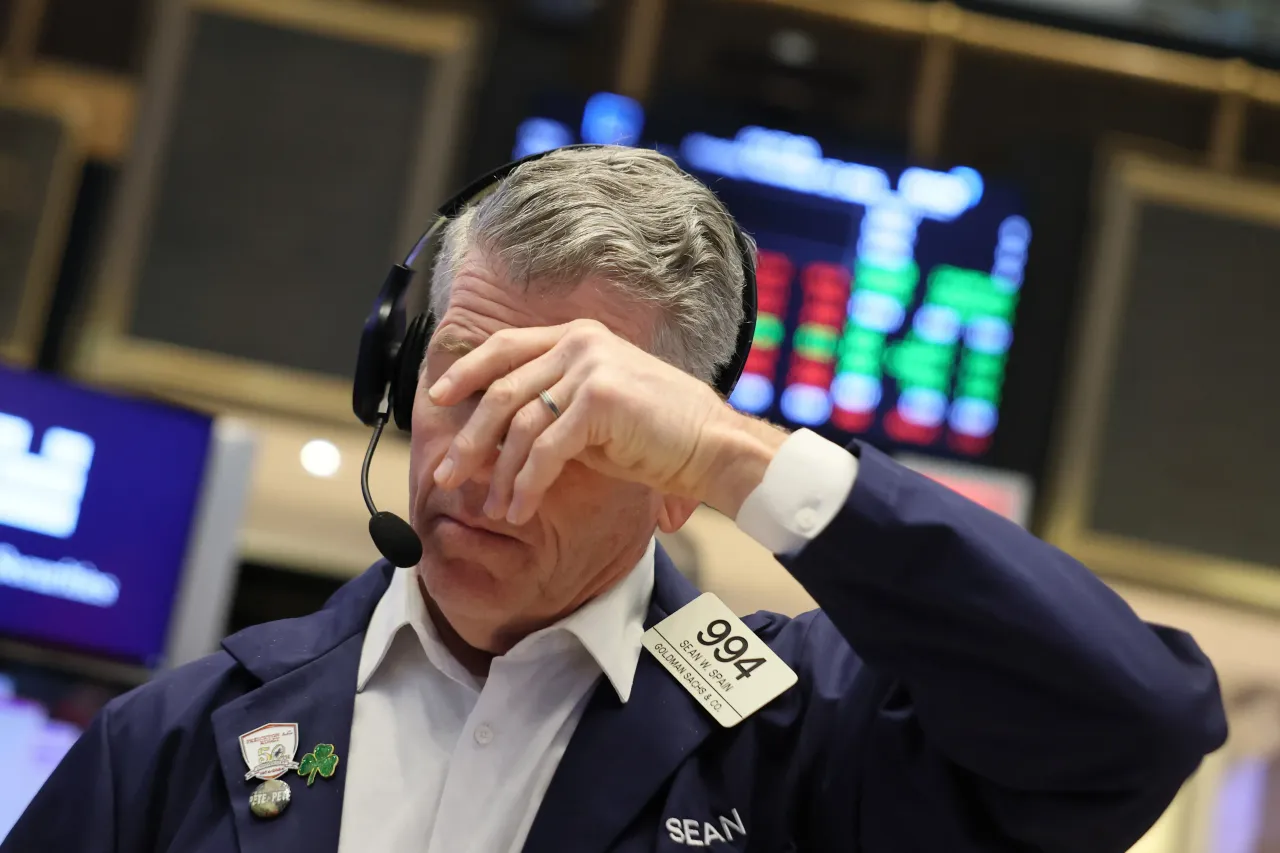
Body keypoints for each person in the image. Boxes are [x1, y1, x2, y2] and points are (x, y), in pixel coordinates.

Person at [4, 147, 1224, 853]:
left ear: (670, 477)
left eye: (557, 418)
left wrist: (743, 459)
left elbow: (1131, 727)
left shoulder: (810, 743)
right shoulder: (167, 742)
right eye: (457, 381)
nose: (473, 462)